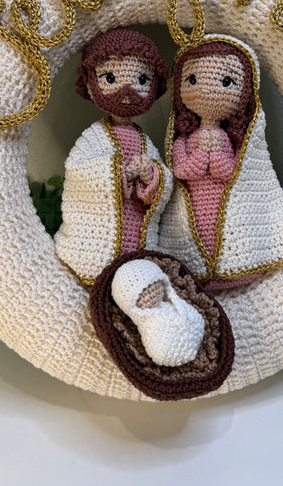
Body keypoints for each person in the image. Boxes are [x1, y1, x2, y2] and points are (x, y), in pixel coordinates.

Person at [55, 27, 204, 367]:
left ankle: (163, 330)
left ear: (155, 86)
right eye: (110, 78)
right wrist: (119, 173)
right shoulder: (94, 138)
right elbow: (80, 173)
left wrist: (152, 175)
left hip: (138, 238)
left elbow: (165, 184)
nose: (127, 91)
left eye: (141, 80)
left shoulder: (143, 139)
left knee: (143, 284)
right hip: (101, 240)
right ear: (91, 83)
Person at [158, 35, 283, 290]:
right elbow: (182, 171)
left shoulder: (233, 141)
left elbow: (229, 172)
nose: (207, 90)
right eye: (192, 80)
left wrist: (216, 154)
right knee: (195, 238)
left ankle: (232, 267)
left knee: (228, 235)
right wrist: (202, 154)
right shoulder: (182, 140)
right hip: (193, 208)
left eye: (226, 82)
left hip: (227, 205)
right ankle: (200, 270)